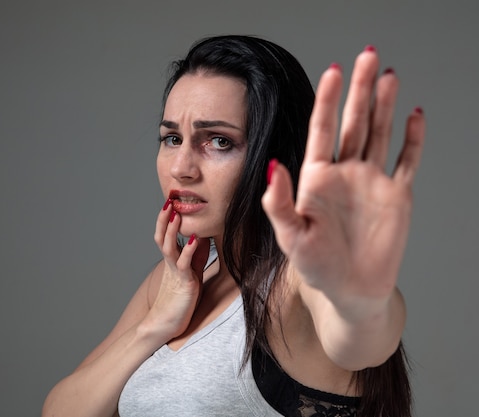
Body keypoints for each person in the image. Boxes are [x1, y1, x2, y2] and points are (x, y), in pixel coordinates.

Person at [42, 35, 425, 417]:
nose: (181, 168)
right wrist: (154, 326)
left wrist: (359, 298)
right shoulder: (176, 279)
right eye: (172, 138)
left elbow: (362, 341)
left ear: (273, 154)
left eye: (219, 141)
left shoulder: (294, 280)